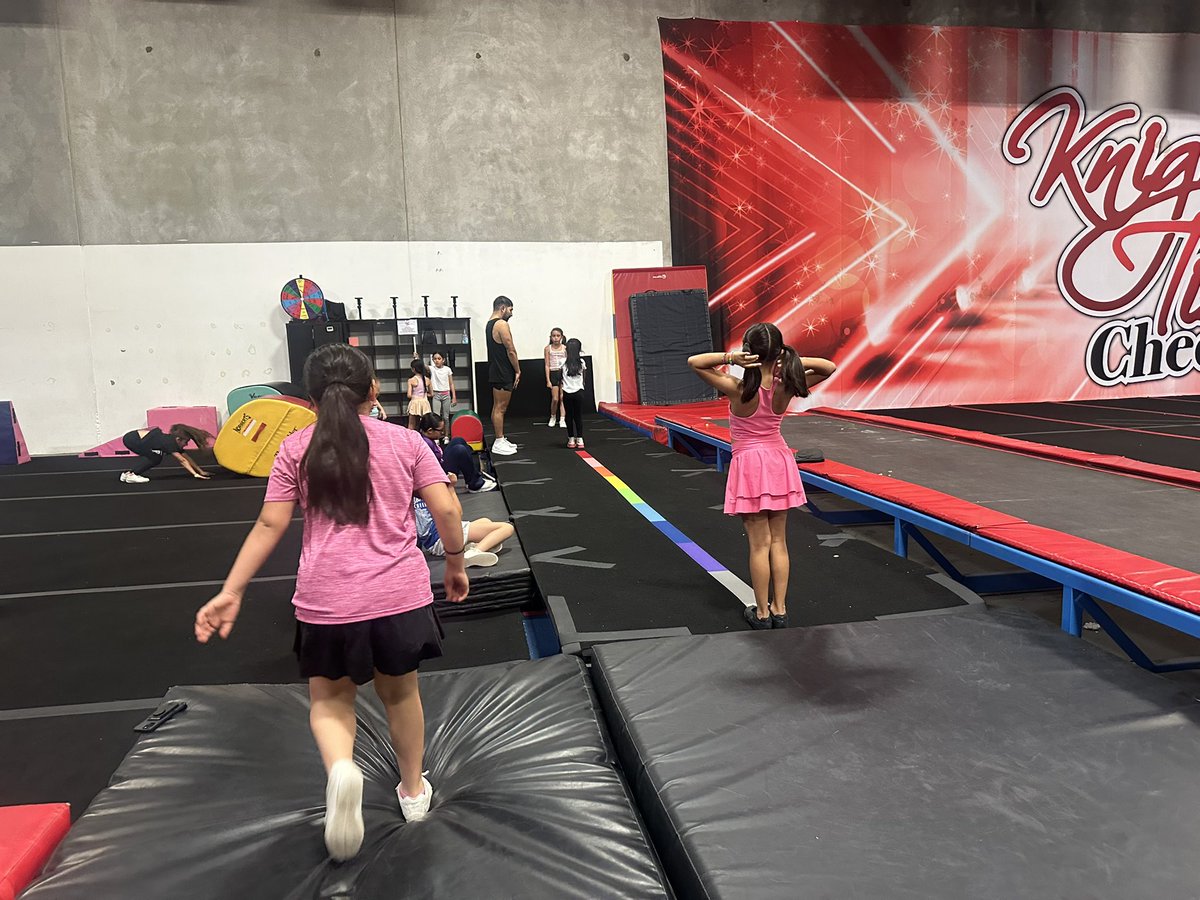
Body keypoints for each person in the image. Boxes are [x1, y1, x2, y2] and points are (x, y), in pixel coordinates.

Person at [193, 343, 468, 862]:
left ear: (311, 400)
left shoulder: (295, 448)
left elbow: (269, 524)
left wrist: (231, 591)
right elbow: (448, 511)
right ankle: (413, 792)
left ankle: (342, 769)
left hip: (327, 601)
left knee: (331, 701)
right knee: (401, 695)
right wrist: (454, 563)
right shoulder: (404, 441)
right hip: (397, 596)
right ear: (373, 390)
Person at [688, 323, 836, 630]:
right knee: (779, 540)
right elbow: (828, 366)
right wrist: (788, 359)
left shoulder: (737, 388)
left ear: (748, 353)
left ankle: (763, 613)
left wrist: (731, 358)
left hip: (751, 465)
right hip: (778, 460)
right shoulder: (786, 385)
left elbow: (695, 362)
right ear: (777, 353)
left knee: (759, 545)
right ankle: (780, 609)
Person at [413, 484, 514, 568]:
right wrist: (451, 488)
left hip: (435, 543)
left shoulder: (413, 497)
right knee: (507, 528)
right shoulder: (432, 492)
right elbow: (457, 514)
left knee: (485, 521)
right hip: (446, 538)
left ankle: (470, 546)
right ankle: (474, 552)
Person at [417, 413, 496, 493]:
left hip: (439, 463)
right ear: (430, 431)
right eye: (440, 430)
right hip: (437, 475)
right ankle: (475, 485)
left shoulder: (425, 438)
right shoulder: (426, 444)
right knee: (459, 450)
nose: (443, 433)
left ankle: (474, 477)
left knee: (458, 440)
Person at [119, 424, 213, 483]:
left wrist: (200, 471)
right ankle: (132, 475)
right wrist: (195, 474)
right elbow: (182, 460)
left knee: (156, 456)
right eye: (186, 441)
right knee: (156, 458)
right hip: (132, 440)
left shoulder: (173, 441)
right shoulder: (170, 443)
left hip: (134, 437)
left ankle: (127, 474)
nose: (186, 444)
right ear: (178, 439)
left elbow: (187, 458)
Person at [486, 296, 520, 455]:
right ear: (503, 308)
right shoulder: (501, 324)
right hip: (502, 371)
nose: (511, 313)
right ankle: (499, 441)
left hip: (496, 370)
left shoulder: (489, 324)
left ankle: (500, 439)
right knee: (500, 408)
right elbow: (510, 350)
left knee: (497, 407)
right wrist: (517, 370)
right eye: (510, 310)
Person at [561, 338, 588, 450]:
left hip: (567, 392)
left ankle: (571, 439)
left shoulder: (562, 362)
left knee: (569, 415)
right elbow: (584, 377)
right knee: (578, 415)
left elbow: (560, 378)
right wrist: (581, 386)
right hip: (579, 392)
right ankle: (580, 439)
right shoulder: (582, 362)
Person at [544, 328, 567, 428]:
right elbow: (547, 365)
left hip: (562, 373)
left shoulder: (565, 348)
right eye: (554, 336)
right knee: (555, 398)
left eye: (558, 336)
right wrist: (548, 380)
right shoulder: (548, 349)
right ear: (551, 337)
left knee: (562, 398)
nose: (556, 338)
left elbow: (567, 363)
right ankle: (553, 416)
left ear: (561, 337)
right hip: (553, 373)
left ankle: (562, 418)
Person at [428, 352, 456, 435]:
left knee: (445, 417)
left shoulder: (447, 369)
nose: (437, 360)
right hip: (436, 395)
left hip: (446, 395)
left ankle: (446, 435)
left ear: (443, 360)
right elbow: (422, 366)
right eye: (435, 359)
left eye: (439, 358)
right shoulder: (432, 369)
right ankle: (436, 436)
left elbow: (451, 383)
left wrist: (454, 397)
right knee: (436, 417)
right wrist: (416, 358)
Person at [407, 359, 433, 430]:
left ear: (413, 369)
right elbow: (431, 394)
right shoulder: (428, 380)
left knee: (411, 424)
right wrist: (424, 395)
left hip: (415, 403)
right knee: (421, 424)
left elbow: (409, 395)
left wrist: (416, 396)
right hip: (425, 403)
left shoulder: (411, 380)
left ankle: (410, 437)